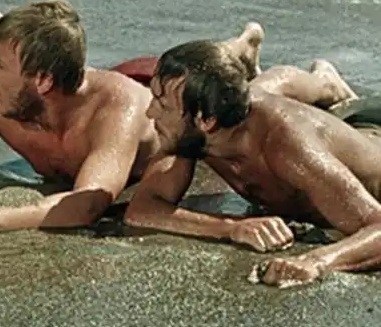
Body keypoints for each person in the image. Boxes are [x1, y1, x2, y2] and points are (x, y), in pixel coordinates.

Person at [0, 0, 268, 239]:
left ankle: (251, 50)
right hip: (108, 78)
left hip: (153, 89)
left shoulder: (118, 111)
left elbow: (88, 203)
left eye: (1, 65)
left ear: (43, 80)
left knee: (233, 85)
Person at [123, 39, 378, 289]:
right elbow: (142, 210)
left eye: (162, 105)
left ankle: (326, 84)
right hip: (329, 127)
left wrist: (315, 262)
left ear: (206, 120)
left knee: (270, 98)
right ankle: (316, 79)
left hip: (371, 126)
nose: (150, 112)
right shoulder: (190, 134)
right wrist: (231, 227)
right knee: (265, 87)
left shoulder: (288, 148)